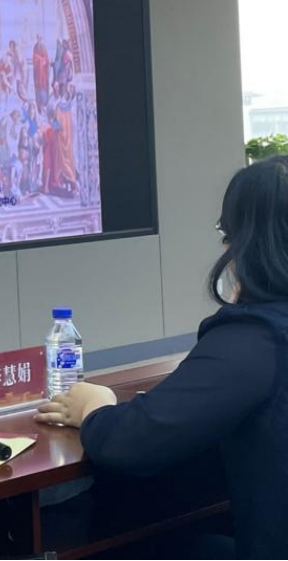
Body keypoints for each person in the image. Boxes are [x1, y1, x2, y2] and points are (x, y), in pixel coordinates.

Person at [36, 157, 288, 559]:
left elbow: (132, 442)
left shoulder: (255, 338)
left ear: (246, 243)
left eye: (227, 234)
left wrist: (93, 406)